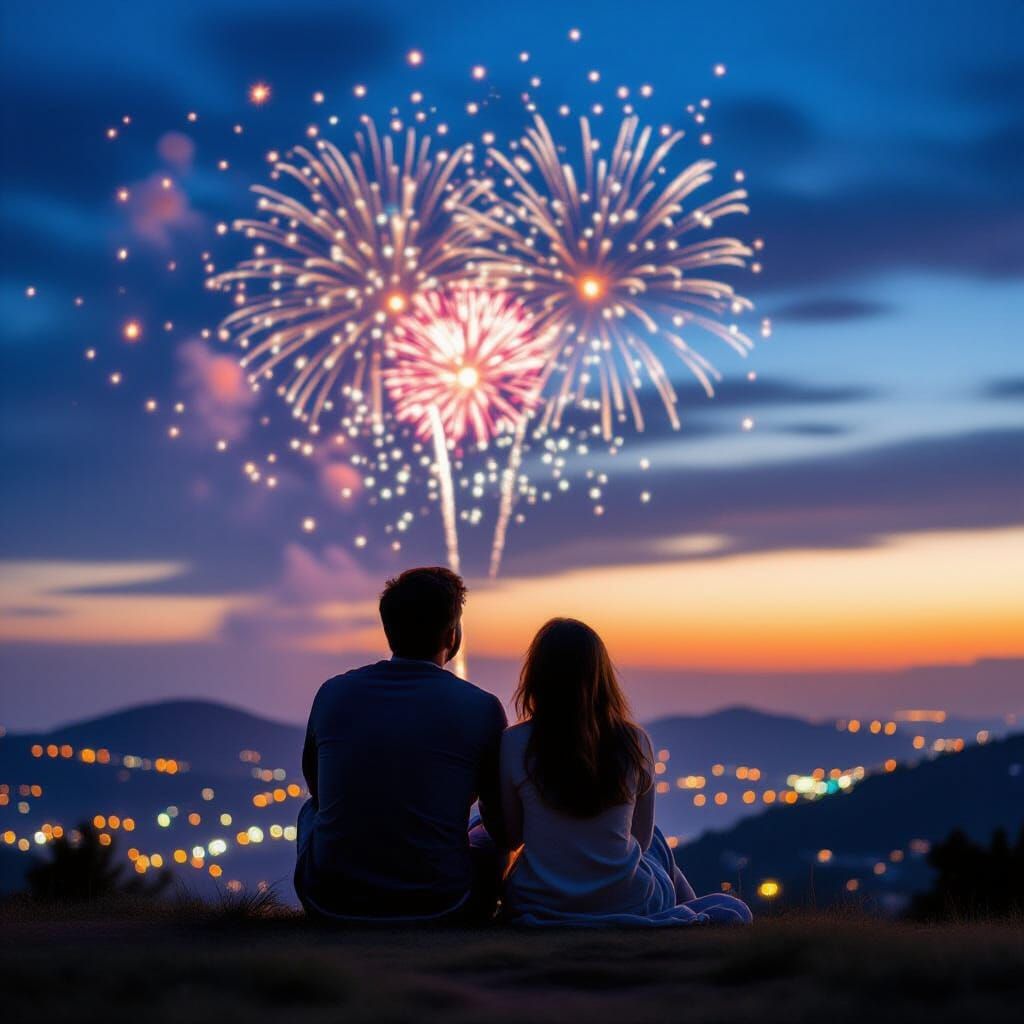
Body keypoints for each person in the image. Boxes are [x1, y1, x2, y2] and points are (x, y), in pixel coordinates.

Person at [500, 617, 752, 926]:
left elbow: (512, 836)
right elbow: (642, 841)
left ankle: (691, 909)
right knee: (657, 838)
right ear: (601, 676)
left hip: (539, 900)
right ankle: (691, 907)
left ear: (536, 676)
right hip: (628, 898)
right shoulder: (634, 741)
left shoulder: (513, 742)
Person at [294, 567, 507, 922]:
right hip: (445, 905)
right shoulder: (482, 707)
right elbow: (501, 820)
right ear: (452, 635)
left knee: (309, 812)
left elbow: (318, 791)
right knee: (488, 834)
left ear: (388, 630)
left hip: (330, 903)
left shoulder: (332, 693)